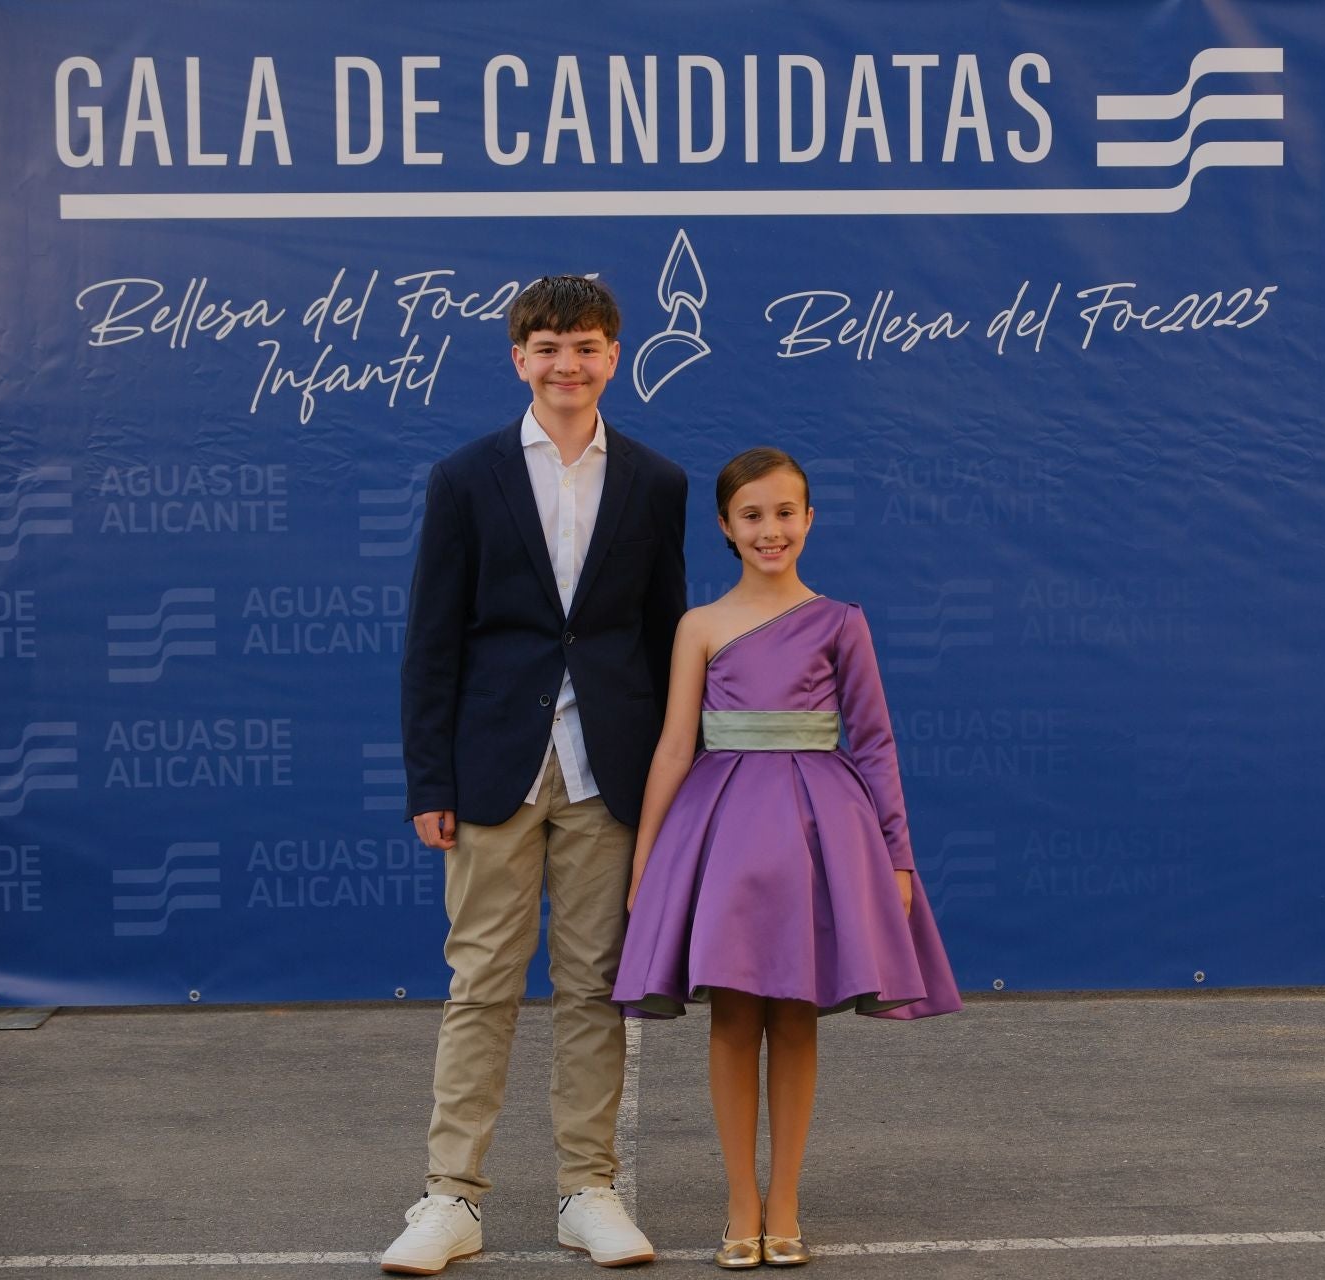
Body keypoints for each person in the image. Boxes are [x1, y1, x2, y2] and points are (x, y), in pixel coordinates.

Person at [385, 275, 688, 1275]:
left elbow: (662, 642)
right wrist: (431, 775)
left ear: (614, 355)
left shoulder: (656, 481)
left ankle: (587, 1188)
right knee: (481, 979)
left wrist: (666, 788)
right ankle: (450, 1195)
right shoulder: (465, 477)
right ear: (520, 357)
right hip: (490, 770)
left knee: (598, 986)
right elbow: (432, 639)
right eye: (550, 345)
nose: (568, 363)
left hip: (611, 772)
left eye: (588, 345)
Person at [612, 447, 961, 1269]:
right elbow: (672, 748)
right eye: (753, 516)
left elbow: (874, 744)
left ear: (810, 519)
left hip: (818, 831)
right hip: (724, 831)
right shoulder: (698, 627)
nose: (771, 530)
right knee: (734, 1017)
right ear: (727, 529)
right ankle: (740, 1201)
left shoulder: (843, 621)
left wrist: (898, 857)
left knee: (797, 1014)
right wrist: (646, 861)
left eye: (785, 513)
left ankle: (785, 1201)